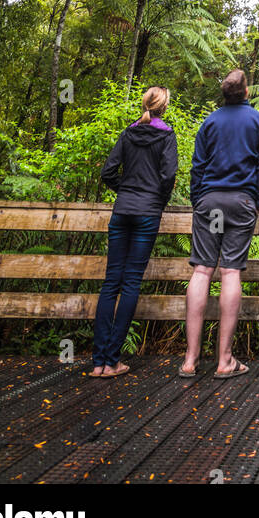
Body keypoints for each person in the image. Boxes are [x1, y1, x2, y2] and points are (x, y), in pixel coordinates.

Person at [180, 68, 259, 379]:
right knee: (230, 270)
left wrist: (199, 200)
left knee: (203, 270)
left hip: (210, 201)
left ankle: (190, 360)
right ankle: (225, 360)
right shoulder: (258, 121)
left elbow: (197, 166)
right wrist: (256, 201)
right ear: (246, 92)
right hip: (241, 201)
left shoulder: (210, 121)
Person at [91, 86, 178, 378]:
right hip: (146, 214)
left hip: (121, 211)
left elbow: (107, 172)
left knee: (110, 283)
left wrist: (125, 191)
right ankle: (113, 360)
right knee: (130, 284)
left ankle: (99, 362)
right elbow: (168, 176)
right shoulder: (166, 135)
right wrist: (156, 201)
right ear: (164, 108)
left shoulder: (129, 133)